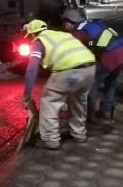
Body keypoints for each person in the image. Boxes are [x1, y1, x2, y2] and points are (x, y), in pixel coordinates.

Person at [23, 19, 96, 150]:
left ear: (33, 34)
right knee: (79, 102)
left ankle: (51, 140)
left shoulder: (39, 41)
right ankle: (79, 135)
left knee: (49, 102)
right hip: (89, 69)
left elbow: (32, 68)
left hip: (69, 72)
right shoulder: (63, 34)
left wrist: (27, 94)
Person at [62, 10, 123, 123]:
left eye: (64, 22)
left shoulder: (78, 32)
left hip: (111, 55)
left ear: (70, 22)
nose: (64, 25)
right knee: (111, 83)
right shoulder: (92, 24)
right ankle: (107, 112)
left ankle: (90, 115)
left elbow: (75, 52)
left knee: (93, 83)